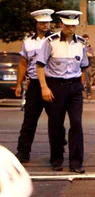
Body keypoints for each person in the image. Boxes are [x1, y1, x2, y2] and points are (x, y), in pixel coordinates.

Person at [36, 10, 89, 173]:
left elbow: (84, 67)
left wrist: (83, 86)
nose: (71, 29)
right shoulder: (50, 42)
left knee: (77, 124)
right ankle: (56, 159)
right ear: (60, 24)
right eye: (67, 25)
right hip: (55, 87)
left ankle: (76, 162)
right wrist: (44, 87)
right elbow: (40, 65)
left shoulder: (81, 43)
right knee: (56, 124)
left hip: (74, 88)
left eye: (73, 26)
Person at [14, 9, 55, 163]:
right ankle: (23, 152)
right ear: (36, 23)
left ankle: (57, 154)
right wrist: (19, 83)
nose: (45, 25)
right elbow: (23, 63)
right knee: (29, 121)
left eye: (47, 22)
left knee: (55, 121)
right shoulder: (28, 41)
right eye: (42, 22)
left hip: (51, 84)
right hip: (34, 85)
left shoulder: (55, 40)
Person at [82, 34, 94, 99]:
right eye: (84, 39)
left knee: (88, 81)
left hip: (88, 66)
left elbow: (91, 55)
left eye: (86, 39)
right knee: (81, 82)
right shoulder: (79, 46)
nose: (85, 41)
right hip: (80, 66)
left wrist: (85, 52)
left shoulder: (90, 47)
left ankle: (88, 94)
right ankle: (81, 95)